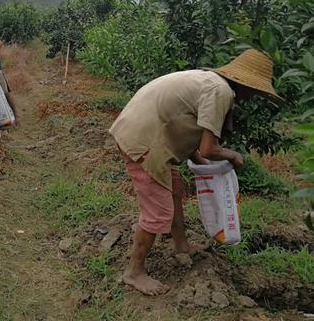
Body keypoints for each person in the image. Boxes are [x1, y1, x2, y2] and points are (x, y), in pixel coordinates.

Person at [109, 49, 282, 296]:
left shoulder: (211, 83)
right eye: (255, 92)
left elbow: (187, 125)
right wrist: (231, 155)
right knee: (158, 212)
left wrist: (199, 160)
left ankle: (182, 245)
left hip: (145, 131)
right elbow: (209, 147)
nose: (253, 97)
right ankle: (134, 272)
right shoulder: (220, 91)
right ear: (246, 85)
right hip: (144, 140)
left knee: (175, 190)